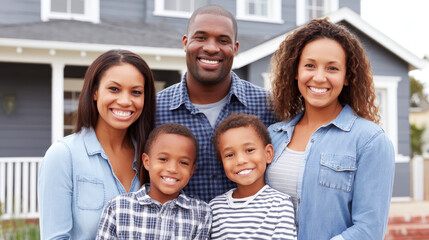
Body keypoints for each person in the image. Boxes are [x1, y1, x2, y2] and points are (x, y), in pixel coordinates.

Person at [266, 18, 396, 240]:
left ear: (347, 77)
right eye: (309, 65)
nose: (318, 77)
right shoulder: (272, 136)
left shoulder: (370, 141)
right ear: (295, 71)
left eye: (332, 68)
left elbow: (369, 230)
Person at [156, 4, 276, 202]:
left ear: (235, 48)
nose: (211, 48)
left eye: (223, 40)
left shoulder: (269, 106)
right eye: (200, 38)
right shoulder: (154, 109)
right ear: (185, 42)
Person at [38, 49, 156, 239]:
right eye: (114, 89)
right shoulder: (63, 155)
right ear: (94, 92)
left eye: (136, 92)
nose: (125, 101)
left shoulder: (152, 157)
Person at [95, 123, 212, 239]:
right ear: (147, 162)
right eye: (163, 159)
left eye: (183, 163)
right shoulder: (118, 207)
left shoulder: (201, 213)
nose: (172, 169)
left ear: (192, 170)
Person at [210, 113, 296, 240]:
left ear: (268, 154)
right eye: (229, 155)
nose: (240, 160)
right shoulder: (215, 207)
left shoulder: (280, 204)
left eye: (249, 150)